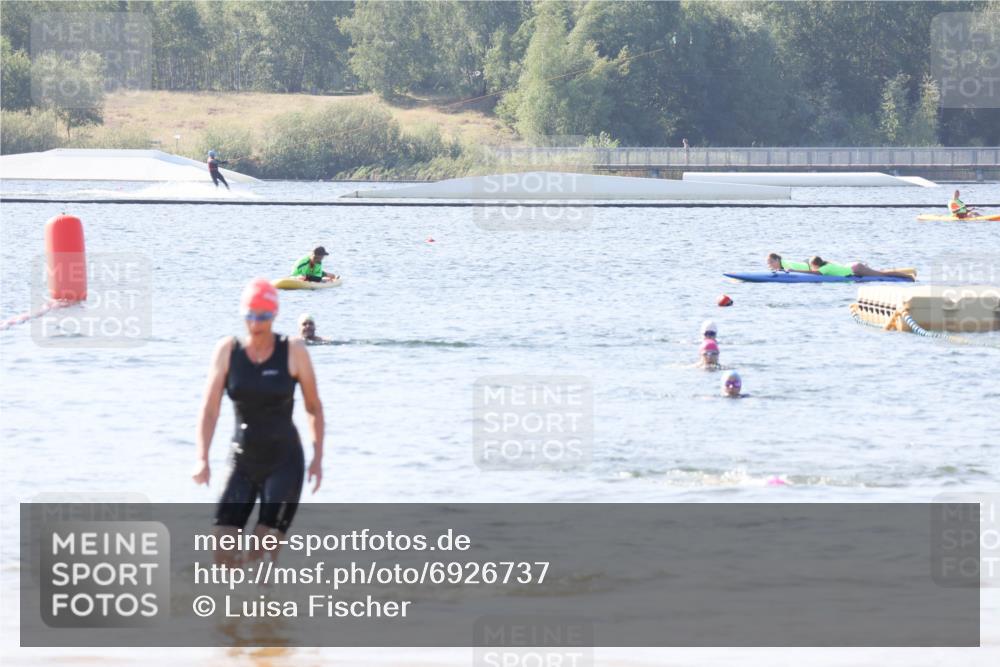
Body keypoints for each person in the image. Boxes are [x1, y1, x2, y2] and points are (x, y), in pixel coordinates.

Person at [193, 278, 324, 564]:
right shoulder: (228, 351)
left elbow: (313, 407)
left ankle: (267, 602)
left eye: (263, 316)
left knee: (262, 550)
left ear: (274, 315)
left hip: (284, 461)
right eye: (250, 315)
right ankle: (234, 606)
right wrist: (202, 458)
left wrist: (317, 457)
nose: (256, 323)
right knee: (222, 550)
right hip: (242, 458)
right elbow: (210, 409)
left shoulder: (293, 351)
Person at [808, 256, 914, 281]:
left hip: (856, 269)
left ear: (816, 265)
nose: (811, 268)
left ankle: (908, 276)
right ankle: (906, 273)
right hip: (853, 266)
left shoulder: (825, 269)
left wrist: (794, 271)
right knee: (880, 272)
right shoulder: (827, 264)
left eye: (811, 265)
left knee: (883, 274)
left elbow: (816, 274)